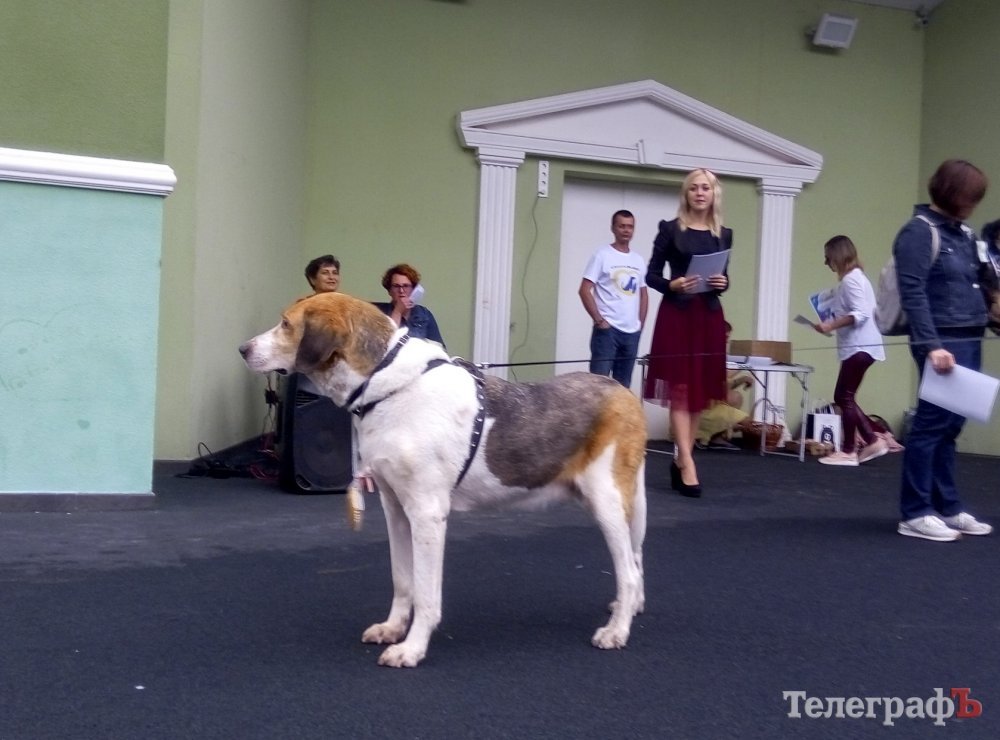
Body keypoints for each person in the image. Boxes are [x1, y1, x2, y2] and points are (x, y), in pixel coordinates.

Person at [894, 159, 993, 541]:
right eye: (970, 198)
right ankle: (915, 512)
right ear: (953, 194)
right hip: (942, 341)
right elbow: (913, 292)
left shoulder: (965, 234)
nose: (974, 206)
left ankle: (947, 507)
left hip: (970, 335)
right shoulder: (918, 232)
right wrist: (931, 345)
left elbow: (980, 282)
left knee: (951, 426)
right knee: (931, 424)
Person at [644, 169, 731, 497]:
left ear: (713, 193)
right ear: (686, 193)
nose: (699, 193)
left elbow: (723, 279)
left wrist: (723, 282)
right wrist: (673, 284)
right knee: (681, 390)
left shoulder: (723, 234)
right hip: (678, 315)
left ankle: (683, 457)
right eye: (694, 188)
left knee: (699, 392)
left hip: (708, 316)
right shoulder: (670, 229)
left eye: (705, 188)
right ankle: (688, 463)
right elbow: (651, 275)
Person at [812, 235, 887, 467]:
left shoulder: (851, 281)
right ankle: (867, 442)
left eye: (828, 258)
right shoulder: (855, 279)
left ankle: (852, 449)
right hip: (862, 346)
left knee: (843, 397)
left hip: (859, 346)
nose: (826, 263)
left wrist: (831, 325)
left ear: (838, 256)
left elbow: (860, 314)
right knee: (846, 396)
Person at [578, 210, 648, 387]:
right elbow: (584, 290)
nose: (626, 230)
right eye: (622, 226)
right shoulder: (602, 255)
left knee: (623, 388)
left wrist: (640, 324)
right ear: (613, 228)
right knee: (598, 386)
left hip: (631, 333)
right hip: (607, 332)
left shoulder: (638, 260)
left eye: (630, 226)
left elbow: (643, 294)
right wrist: (599, 320)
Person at [694, 321, 752, 450]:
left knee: (735, 397)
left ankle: (716, 437)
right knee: (748, 423)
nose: (726, 341)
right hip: (701, 409)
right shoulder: (704, 353)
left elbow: (723, 384)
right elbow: (720, 378)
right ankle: (699, 434)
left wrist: (742, 378)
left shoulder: (717, 353)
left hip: (713, 404)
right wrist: (743, 364)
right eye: (725, 337)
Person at [374, 263, 445, 347]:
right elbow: (384, 345)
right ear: (389, 290)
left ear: (413, 289)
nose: (401, 291)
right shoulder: (378, 313)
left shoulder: (424, 314)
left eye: (406, 286)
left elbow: (439, 347)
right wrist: (398, 311)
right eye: (396, 286)